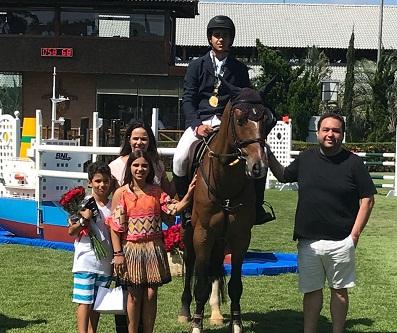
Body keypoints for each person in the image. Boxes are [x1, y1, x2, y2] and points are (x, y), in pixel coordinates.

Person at [267, 112, 376, 333]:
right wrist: (266, 151)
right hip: (309, 242)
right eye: (326, 130)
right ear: (317, 133)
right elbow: (283, 175)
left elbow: (368, 200)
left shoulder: (354, 163)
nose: (330, 134)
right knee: (312, 291)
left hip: (341, 241)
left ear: (342, 135)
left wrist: (354, 236)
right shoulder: (306, 159)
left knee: (339, 290)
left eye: (336, 130)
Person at [172, 15, 275, 225]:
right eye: (216, 35)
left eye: (225, 36)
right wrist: (196, 125)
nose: (221, 39)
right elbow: (189, 99)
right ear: (210, 39)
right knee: (180, 157)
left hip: (228, 123)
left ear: (231, 39)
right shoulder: (196, 66)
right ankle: (185, 206)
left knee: (260, 154)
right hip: (200, 121)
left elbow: (244, 102)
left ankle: (257, 206)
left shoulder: (239, 69)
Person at [106, 150, 195, 333]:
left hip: (154, 248)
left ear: (150, 168)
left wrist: (188, 194)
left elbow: (172, 209)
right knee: (134, 295)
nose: (140, 169)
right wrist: (118, 254)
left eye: (144, 165)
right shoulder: (121, 193)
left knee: (151, 293)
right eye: (136, 165)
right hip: (131, 248)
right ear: (129, 167)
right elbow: (115, 227)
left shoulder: (156, 192)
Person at [68, 162, 114, 333]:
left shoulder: (113, 205)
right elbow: (71, 231)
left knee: (97, 303)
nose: (102, 185)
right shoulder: (82, 204)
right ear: (90, 182)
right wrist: (83, 220)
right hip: (86, 260)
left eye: (106, 181)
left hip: (105, 262)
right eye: (98, 181)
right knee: (84, 302)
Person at [109, 121, 175, 197]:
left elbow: (168, 193)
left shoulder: (158, 165)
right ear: (129, 139)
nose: (139, 142)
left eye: (143, 139)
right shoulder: (114, 166)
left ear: (149, 140)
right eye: (135, 138)